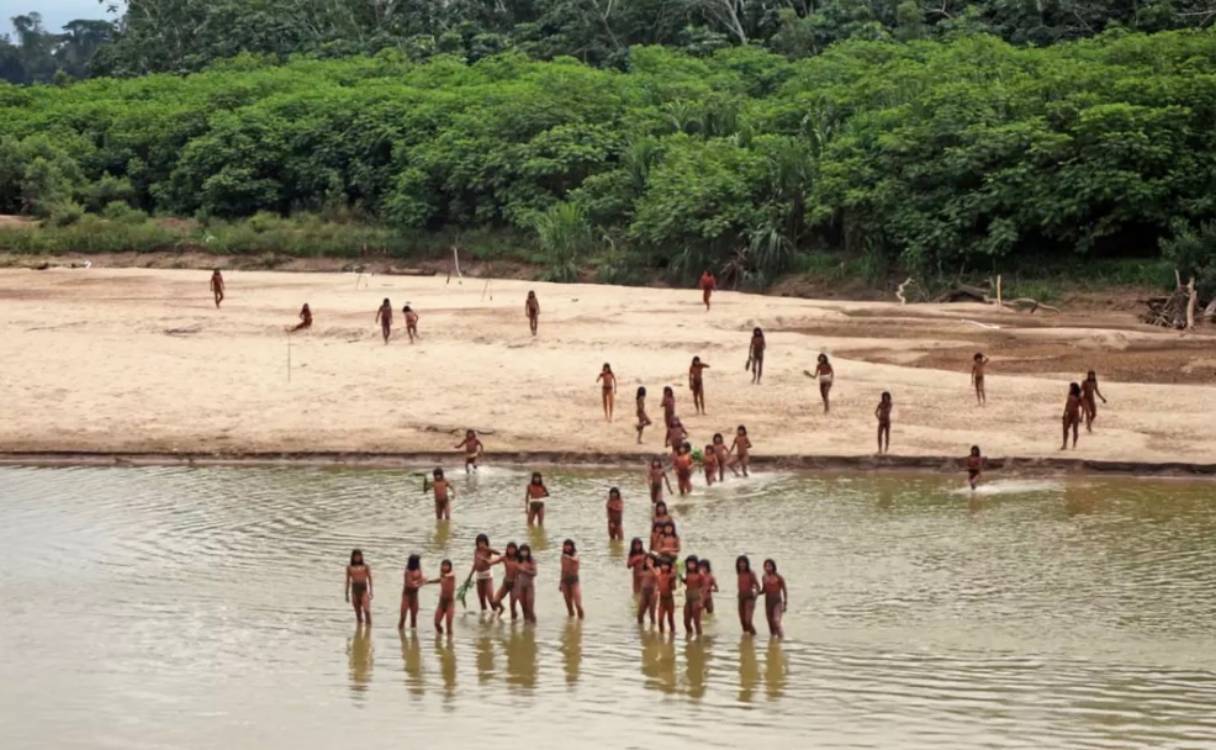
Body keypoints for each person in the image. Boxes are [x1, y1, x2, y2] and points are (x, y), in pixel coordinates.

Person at [467, 533, 502, 614]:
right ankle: (484, 615)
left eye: (483, 542)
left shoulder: (488, 550)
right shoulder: (476, 551)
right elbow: (475, 563)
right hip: (479, 576)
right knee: (481, 598)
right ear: (477, 543)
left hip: (487, 575)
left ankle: (496, 612)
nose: (481, 544)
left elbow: (498, 553)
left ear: (486, 543)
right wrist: (470, 575)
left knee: (490, 598)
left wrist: (487, 548)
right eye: (479, 542)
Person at [490, 542, 519, 620]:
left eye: (513, 549)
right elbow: (493, 561)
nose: (511, 550)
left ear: (516, 550)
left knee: (512, 606)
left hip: (515, 584)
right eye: (509, 548)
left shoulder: (519, 559)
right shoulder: (505, 557)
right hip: (506, 583)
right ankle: (502, 608)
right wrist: (487, 562)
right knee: (495, 601)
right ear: (507, 549)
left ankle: (514, 623)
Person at [428, 559, 456, 635]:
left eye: (447, 565)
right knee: (436, 623)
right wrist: (428, 582)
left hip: (450, 603)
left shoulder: (451, 575)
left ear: (450, 567)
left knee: (448, 624)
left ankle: (450, 640)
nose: (444, 567)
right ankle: (439, 636)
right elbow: (438, 580)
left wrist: (445, 575)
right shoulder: (442, 576)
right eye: (443, 565)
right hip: (442, 602)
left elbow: (451, 574)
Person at [345, 549, 373, 625]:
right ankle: (359, 628)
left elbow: (370, 578)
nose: (357, 558)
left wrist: (371, 591)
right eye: (355, 556)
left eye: (358, 556)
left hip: (363, 589)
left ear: (361, 557)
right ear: (352, 557)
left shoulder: (365, 567)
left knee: (367, 610)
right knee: (358, 612)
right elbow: (347, 581)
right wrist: (346, 594)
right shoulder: (349, 567)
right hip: (354, 590)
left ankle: (368, 627)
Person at [761, 559, 787, 639]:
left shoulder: (779, 577)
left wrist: (785, 603)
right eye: (766, 566)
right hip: (768, 602)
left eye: (770, 566)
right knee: (770, 625)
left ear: (773, 567)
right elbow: (764, 590)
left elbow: (784, 589)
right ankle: (774, 643)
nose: (768, 568)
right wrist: (756, 593)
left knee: (776, 621)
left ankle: (782, 638)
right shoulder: (764, 577)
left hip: (777, 602)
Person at [398, 554, 425, 630]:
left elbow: (421, 579)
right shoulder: (408, 571)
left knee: (414, 617)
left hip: (415, 595)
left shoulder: (419, 569)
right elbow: (410, 584)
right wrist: (421, 582)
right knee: (403, 616)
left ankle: (414, 634)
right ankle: (401, 632)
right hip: (407, 595)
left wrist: (420, 582)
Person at [559, 539, 585, 619]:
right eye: (565, 545)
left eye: (568, 546)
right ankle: (571, 622)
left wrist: (569, 557)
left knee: (578, 604)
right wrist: (560, 583)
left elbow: (575, 560)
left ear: (572, 547)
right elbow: (563, 570)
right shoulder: (562, 556)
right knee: (569, 604)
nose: (567, 547)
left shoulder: (575, 554)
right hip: (565, 581)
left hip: (574, 581)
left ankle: (581, 622)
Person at [682, 556, 706, 636]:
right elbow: (686, 583)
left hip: (696, 598)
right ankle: (689, 636)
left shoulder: (700, 574)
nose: (691, 565)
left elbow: (704, 588)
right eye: (689, 563)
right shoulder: (686, 573)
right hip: (688, 598)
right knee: (686, 621)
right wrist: (681, 577)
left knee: (696, 622)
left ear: (696, 564)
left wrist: (701, 602)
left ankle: (699, 638)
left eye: (693, 563)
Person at [736, 555, 760, 635]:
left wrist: (755, 596)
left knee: (748, 621)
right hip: (740, 598)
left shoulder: (751, 573)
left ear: (747, 564)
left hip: (749, 598)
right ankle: (747, 639)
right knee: (743, 622)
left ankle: (754, 636)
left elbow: (758, 587)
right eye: (740, 563)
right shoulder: (739, 573)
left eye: (744, 563)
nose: (742, 564)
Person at [514, 544, 537, 624]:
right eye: (522, 551)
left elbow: (535, 573)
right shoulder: (518, 560)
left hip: (529, 586)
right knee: (523, 607)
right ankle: (526, 625)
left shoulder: (531, 560)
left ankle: (534, 625)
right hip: (520, 586)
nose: (524, 552)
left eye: (525, 551)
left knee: (530, 608)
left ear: (528, 552)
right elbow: (516, 574)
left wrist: (525, 570)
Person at [655, 557, 678, 634]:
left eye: (666, 565)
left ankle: (672, 634)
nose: (664, 567)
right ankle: (661, 635)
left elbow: (674, 588)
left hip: (669, 600)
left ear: (669, 567)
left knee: (670, 619)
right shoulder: (659, 575)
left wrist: (673, 579)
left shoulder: (671, 576)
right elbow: (658, 587)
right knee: (660, 619)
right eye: (663, 565)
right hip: (662, 600)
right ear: (660, 566)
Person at [636, 554, 658, 626]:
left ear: (654, 561)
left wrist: (651, 567)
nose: (649, 561)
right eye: (647, 560)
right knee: (640, 614)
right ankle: (640, 630)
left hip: (652, 592)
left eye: (651, 560)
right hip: (644, 592)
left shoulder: (656, 569)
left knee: (652, 614)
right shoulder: (643, 569)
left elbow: (658, 576)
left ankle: (653, 629)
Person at [1062, 382, 1084, 450]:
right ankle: (1064, 444)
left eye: (1071, 387)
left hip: (1075, 414)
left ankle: (1074, 445)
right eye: (1070, 387)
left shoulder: (1079, 396)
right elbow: (1067, 404)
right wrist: (1064, 413)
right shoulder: (1069, 395)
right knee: (1065, 429)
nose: (1070, 388)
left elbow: (1083, 406)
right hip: (1068, 413)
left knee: (1075, 430)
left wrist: (1081, 416)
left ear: (1074, 388)